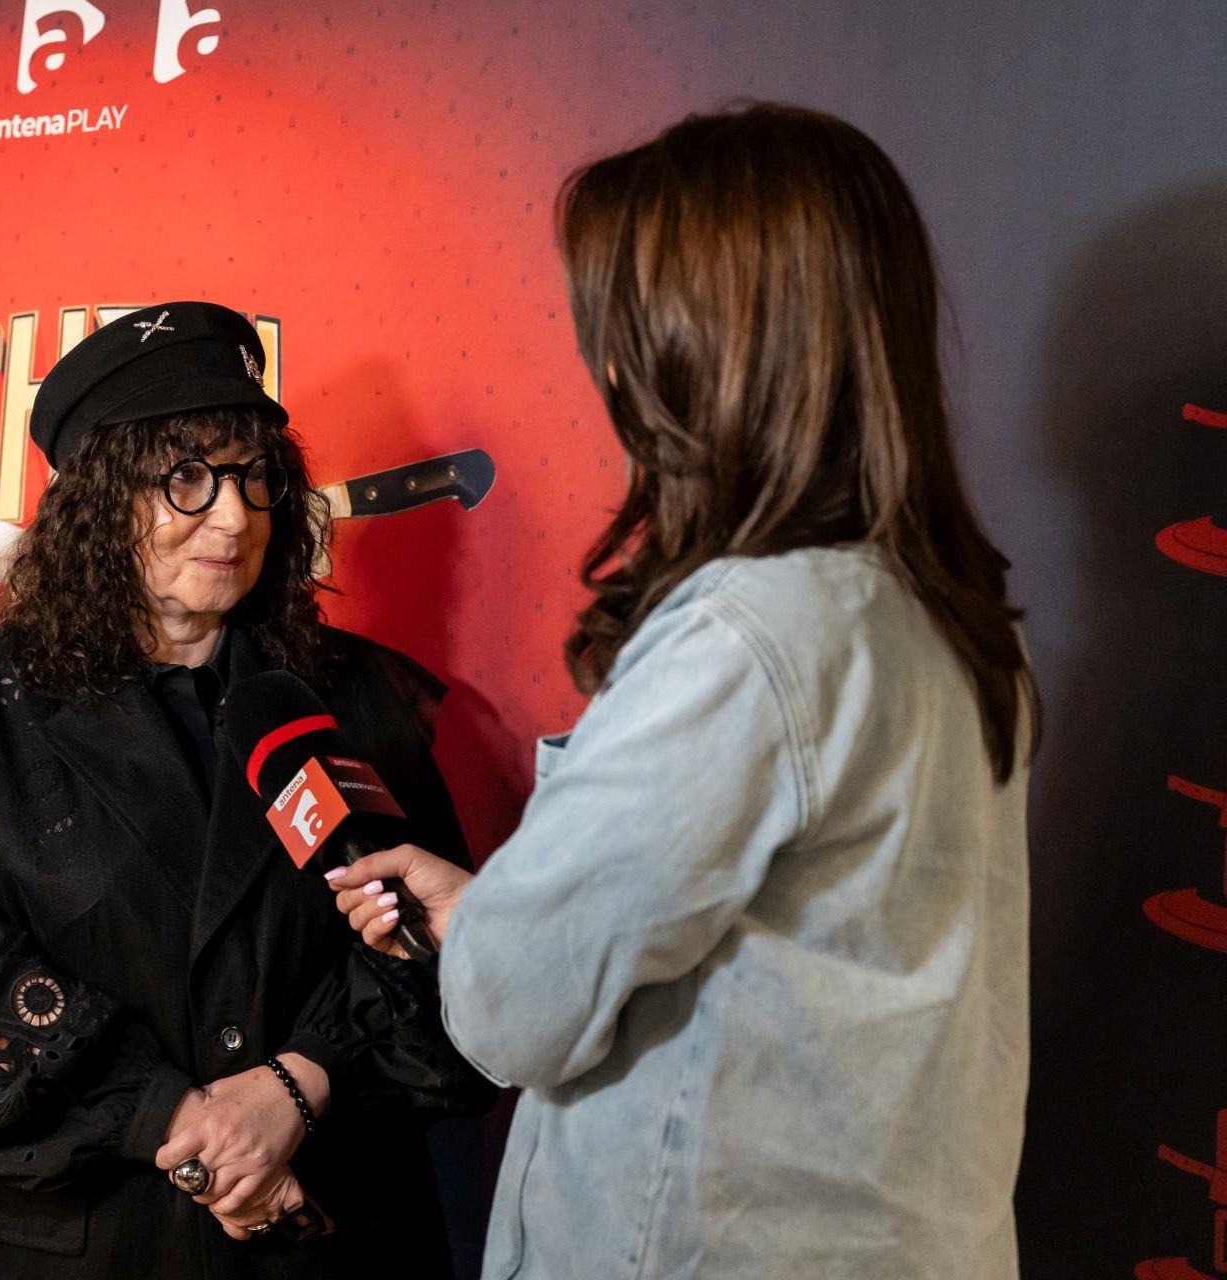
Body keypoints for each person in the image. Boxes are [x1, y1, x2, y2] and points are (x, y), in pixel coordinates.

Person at [330, 104, 1040, 1278]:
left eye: (624, 333)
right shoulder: (943, 621)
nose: (607, 371)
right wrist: (497, 909)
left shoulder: (749, 634)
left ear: (703, 349)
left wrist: (495, 934)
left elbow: (513, 1010)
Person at [0, 301, 496, 1280]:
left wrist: (296, 1087)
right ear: (99, 502)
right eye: (186, 478)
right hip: (82, 1247)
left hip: (320, 1238)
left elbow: (438, 951)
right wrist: (184, 1121)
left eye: (253, 476)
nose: (235, 517)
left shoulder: (350, 694)